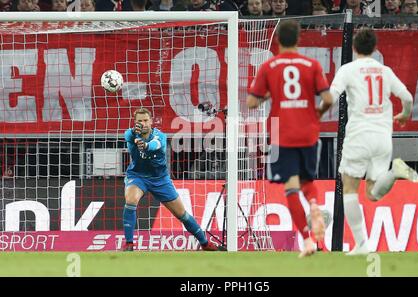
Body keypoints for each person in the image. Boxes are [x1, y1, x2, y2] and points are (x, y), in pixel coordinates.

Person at [246, 20, 334, 257]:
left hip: (282, 133)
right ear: (298, 39)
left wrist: (270, 95)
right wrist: (316, 114)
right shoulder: (311, 64)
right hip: (308, 132)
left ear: (277, 40)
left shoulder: (269, 66)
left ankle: (307, 240)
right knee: (307, 183)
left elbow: (251, 102)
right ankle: (314, 205)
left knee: (291, 188)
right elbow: (328, 98)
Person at [329, 28, 418, 256]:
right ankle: (394, 172)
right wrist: (405, 114)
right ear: (375, 48)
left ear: (353, 48)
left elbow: (331, 96)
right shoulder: (385, 71)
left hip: (359, 135)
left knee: (349, 188)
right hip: (382, 136)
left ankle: (362, 245)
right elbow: (407, 97)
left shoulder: (348, 69)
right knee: (372, 193)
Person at [122, 108, 223, 251]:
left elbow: (156, 145)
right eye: (139, 121)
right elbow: (128, 135)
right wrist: (134, 133)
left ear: (151, 121)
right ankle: (129, 243)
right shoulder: (131, 135)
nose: (143, 123)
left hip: (160, 180)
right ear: (135, 122)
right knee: (131, 200)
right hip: (138, 177)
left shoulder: (160, 136)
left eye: (145, 120)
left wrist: (145, 145)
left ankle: (205, 243)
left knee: (182, 214)